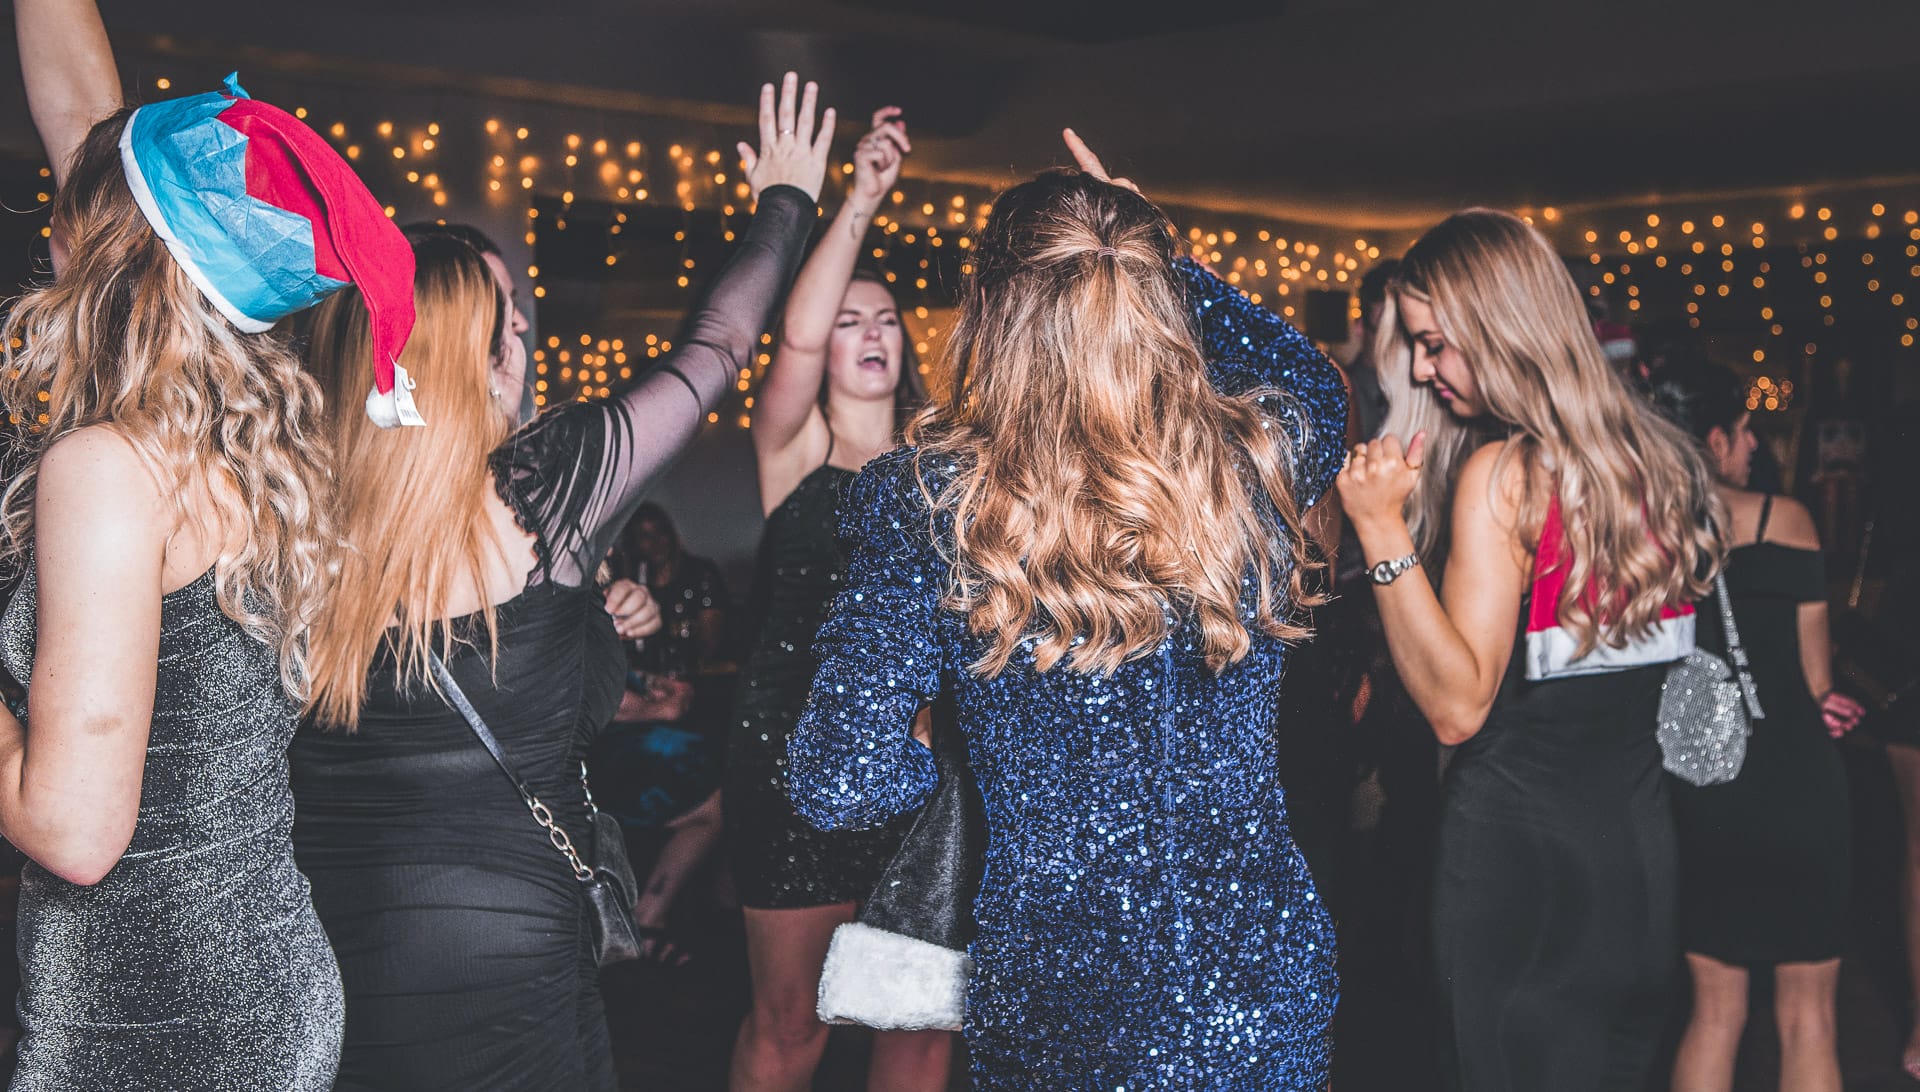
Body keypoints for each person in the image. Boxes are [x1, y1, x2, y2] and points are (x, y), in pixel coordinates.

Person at [288, 73, 834, 1091]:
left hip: (329, 945)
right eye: (518, 334)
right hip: (511, 955)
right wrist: (788, 200)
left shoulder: (290, 506)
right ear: (490, 362)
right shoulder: (546, 488)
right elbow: (716, 349)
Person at [787, 134, 1349, 1088]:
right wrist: (1151, 254)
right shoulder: (1255, 462)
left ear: (994, 317)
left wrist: (974, 751)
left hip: (1066, 999)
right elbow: (1317, 387)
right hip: (1263, 982)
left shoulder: (934, 502)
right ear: (1160, 306)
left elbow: (840, 782)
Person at [0, 1, 415, 1085]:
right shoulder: (254, 446)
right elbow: (96, 129)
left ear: (94, 249)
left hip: (153, 1018)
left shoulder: (106, 470)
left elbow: (73, 830)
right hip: (254, 981)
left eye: (63, 209)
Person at [1335, 208, 1721, 1092]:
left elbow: (1456, 705)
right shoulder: (1663, 463)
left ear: (1497, 326)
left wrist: (1378, 526)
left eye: (1435, 344)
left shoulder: (1506, 474)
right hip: (1639, 867)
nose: (1425, 370)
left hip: (1518, 874)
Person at [724, 105, 947, 1090]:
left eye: (886, 317)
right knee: (794, 1022)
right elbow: (799, 337)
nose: (869, 332)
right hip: (789, 761)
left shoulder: (950, 470)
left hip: (929, 770)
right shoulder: (796, 449)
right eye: (851, 318)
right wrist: (859, 199)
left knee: (919, 1025)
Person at [1651, 361, 1865, 1092]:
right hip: (1799, 787)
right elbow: (1814, 682)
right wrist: (1821, 697)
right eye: (1743, 433)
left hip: (1705, 794)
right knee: (1809, 1019)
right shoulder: (1788, 519)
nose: (1751, 448)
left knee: (1714, 1016)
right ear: (1714, 438)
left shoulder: (1646, 536)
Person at [617, 502, 730, 677]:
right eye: (645, 535)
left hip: (696, 680)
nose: (655, 542)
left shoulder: (701, 574)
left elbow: (710, 643)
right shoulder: (634, 582)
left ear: (670, 534)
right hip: (651, 684)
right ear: (635, 543)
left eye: (660, 532)